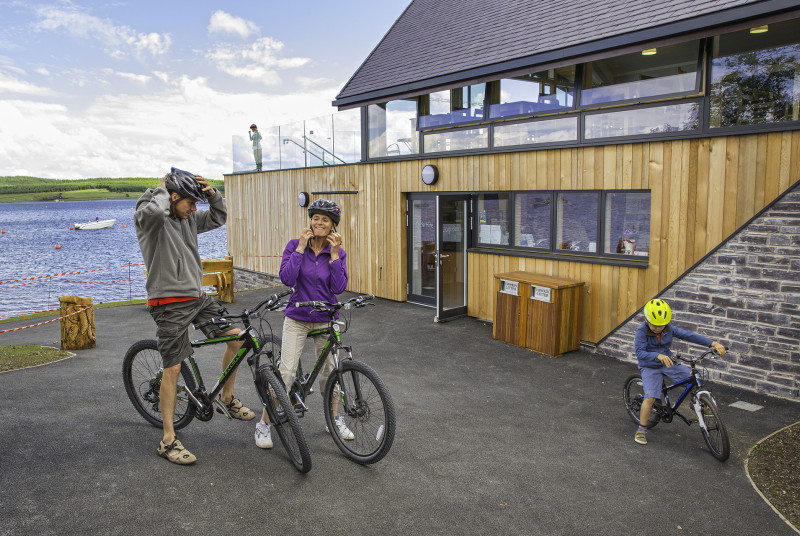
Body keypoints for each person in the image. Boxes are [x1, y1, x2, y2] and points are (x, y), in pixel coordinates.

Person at [135, 167, 255, 465]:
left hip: (198, 299)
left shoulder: (187, 218)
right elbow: (151, 214)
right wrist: (162, 188)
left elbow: (218, 217)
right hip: (168, 304)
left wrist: (213, 195)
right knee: (173, 369)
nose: (193, 209)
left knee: (238, 341)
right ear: (173, 197)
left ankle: (226, 398)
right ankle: (167, 440)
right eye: (190, 202)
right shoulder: (150, 217)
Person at [254, 199, 352, 448]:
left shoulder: (337, 251)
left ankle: (334, 420)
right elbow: (287, 278)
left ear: (333, 226)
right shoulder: (295, 246)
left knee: (330, 373)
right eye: (316, 218)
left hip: (325, 318)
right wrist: (299, 248)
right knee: (285, 373)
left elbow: (339, 288)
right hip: (297, 318)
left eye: (325, 220)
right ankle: (264, 423)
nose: (319, 222)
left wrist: (333, 256)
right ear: (310, 221)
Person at [633, 298, 726, 445]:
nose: (658, 328)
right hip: (649, 365)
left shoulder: (668, 328)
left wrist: (713, 343)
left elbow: (688, 335)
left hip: (668, 361)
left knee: (692, 378)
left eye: (661, 326)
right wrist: (657, 355)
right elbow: (640, 353)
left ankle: (694, 400)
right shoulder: (641, 332)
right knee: (650, 397)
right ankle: (642, 429)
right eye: (654, 325)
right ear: (646, 320)